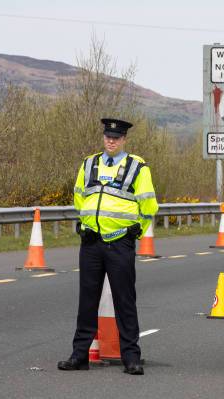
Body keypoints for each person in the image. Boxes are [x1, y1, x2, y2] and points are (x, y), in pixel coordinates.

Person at [58, 118, 158, 375]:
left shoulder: (138, 167)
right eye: (108, 136)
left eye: (116, 137)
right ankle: (79, 356)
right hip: (91, 243)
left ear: (124, 139)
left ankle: (131, 358)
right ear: (103, 137)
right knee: (87, 301)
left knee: (125, 300)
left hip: (120, 242)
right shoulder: (89, 163)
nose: (111, 140)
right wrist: (86, 224)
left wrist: (137, 231)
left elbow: (148, 206)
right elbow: (79, 198)